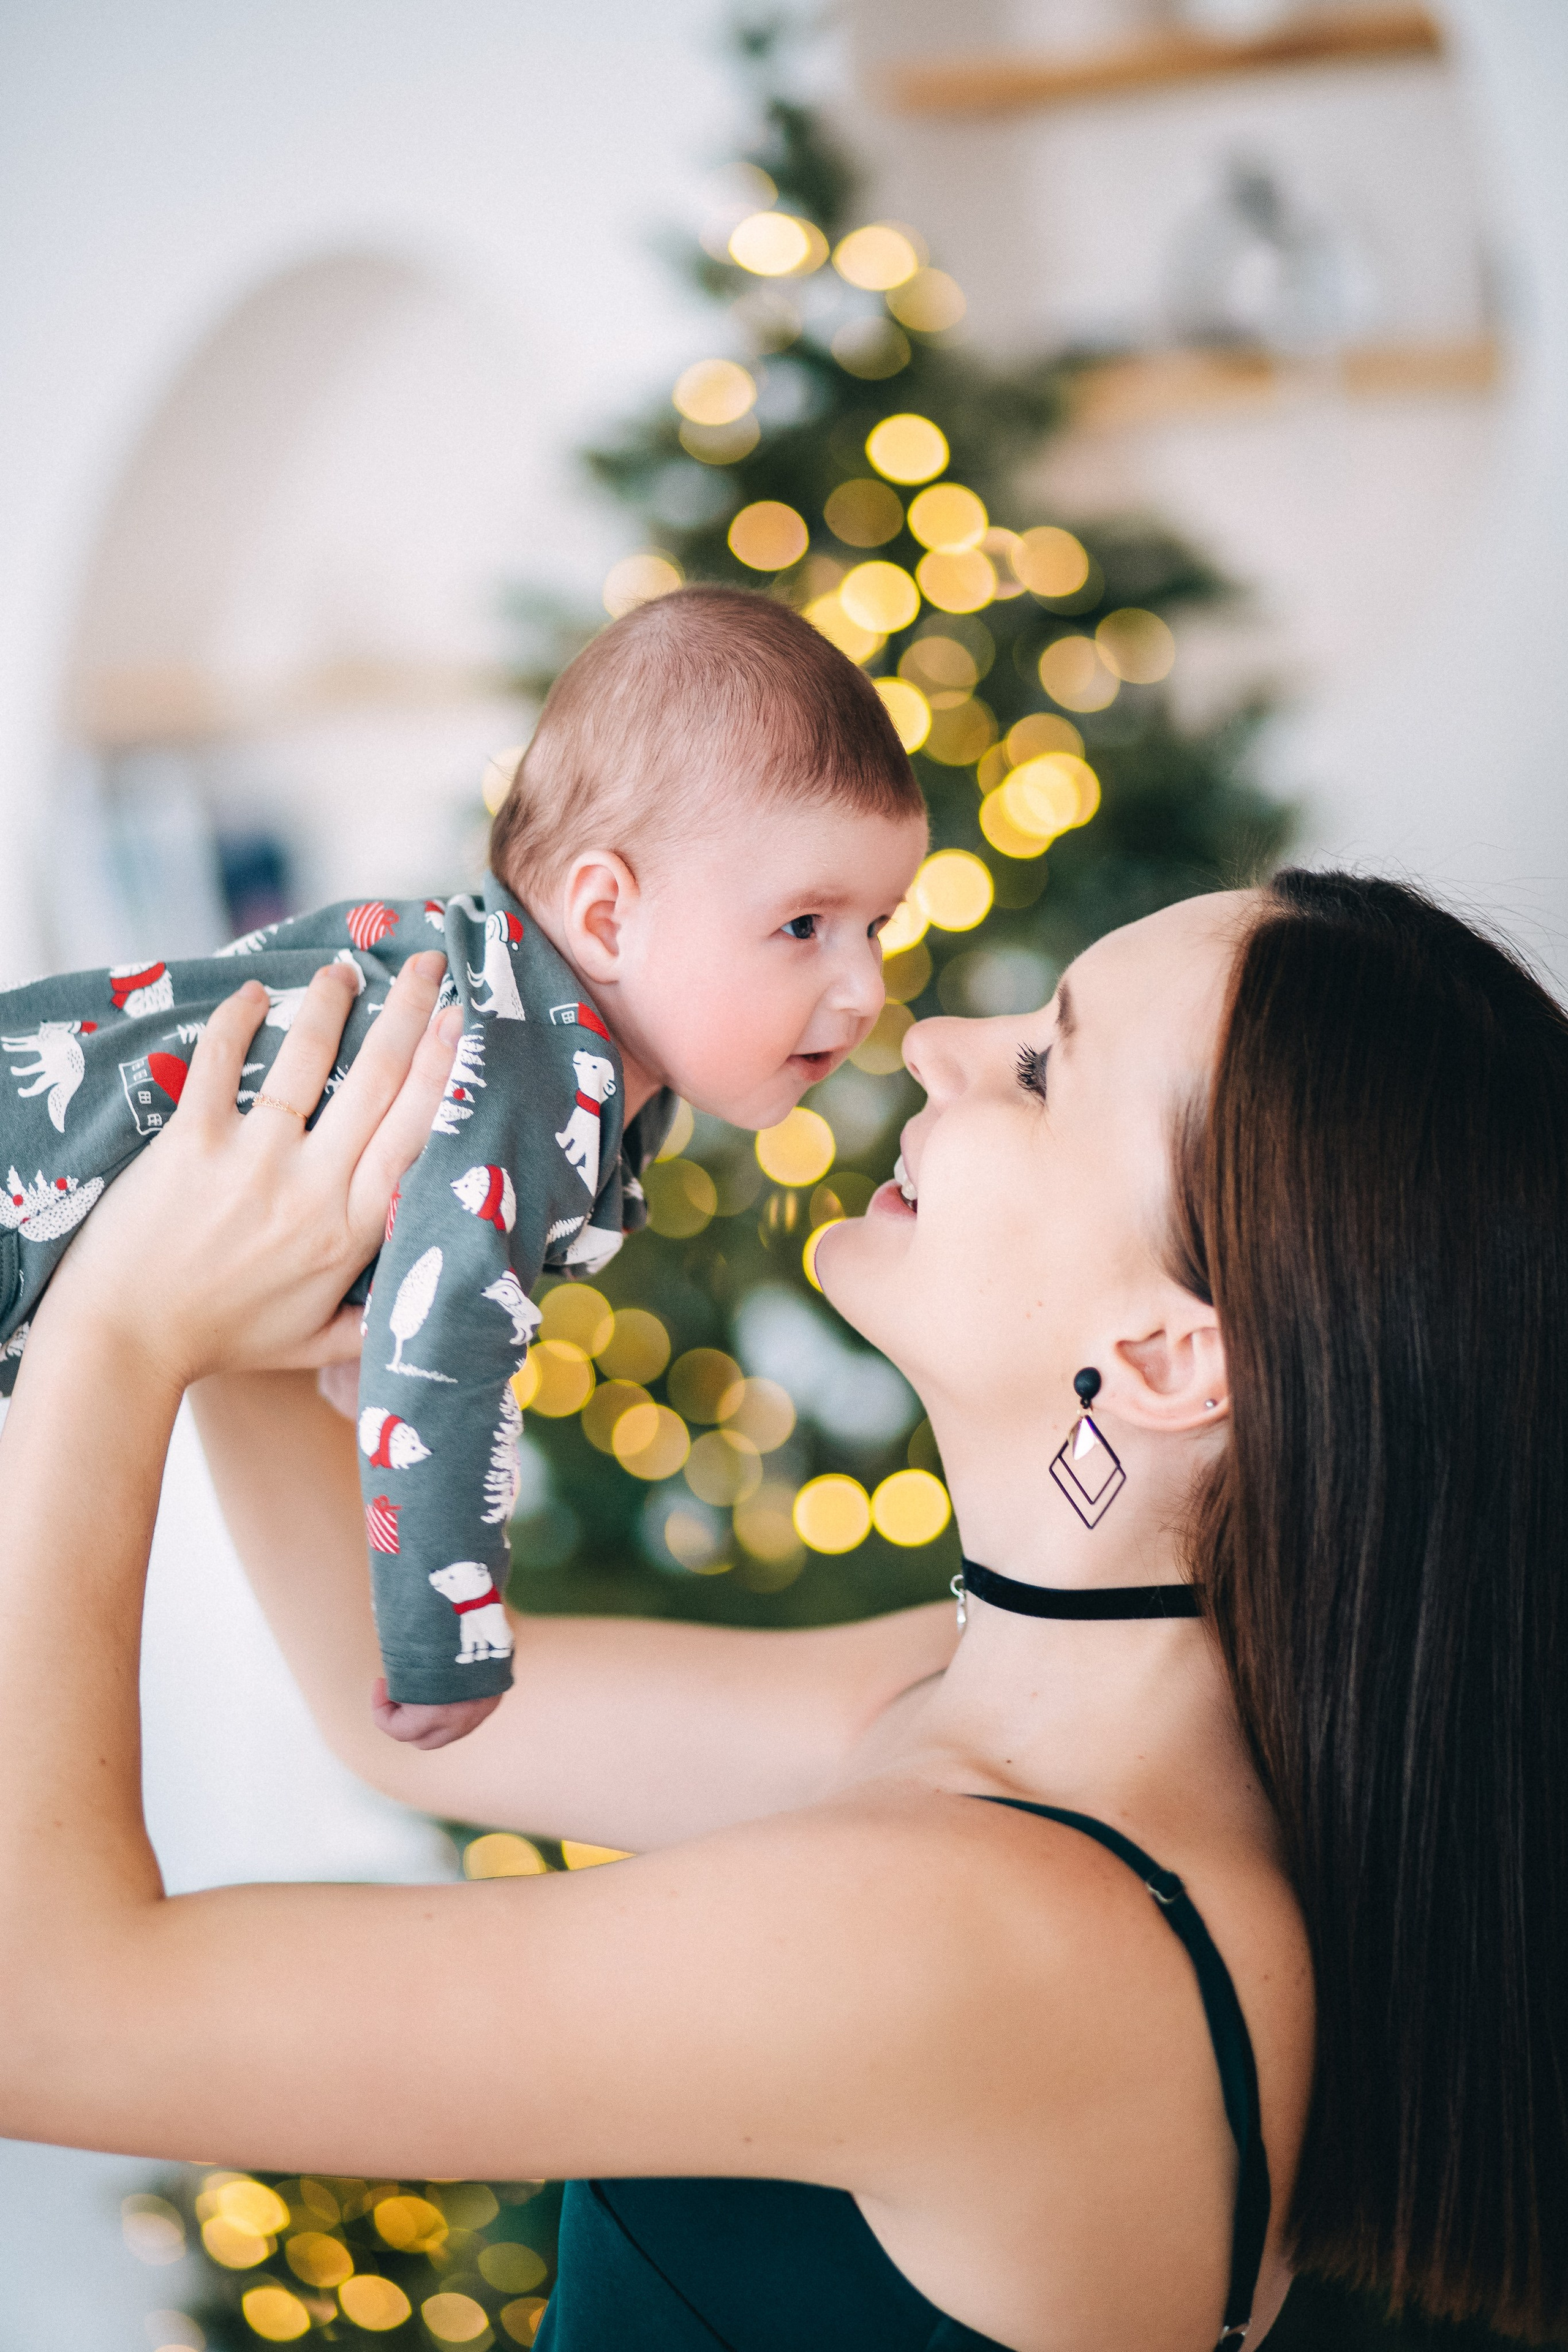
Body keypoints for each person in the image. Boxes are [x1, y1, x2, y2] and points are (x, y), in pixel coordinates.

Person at [2, 868, 1564, 2351]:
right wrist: (304, 1225)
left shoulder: (987, 1935)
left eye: (1037, 1071)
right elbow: (407, 1707)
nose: (940, 1038)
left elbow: (46, 2016)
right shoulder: (1015, 1720)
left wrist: (121, 1324)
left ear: (1167, 1360)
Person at [0, 585, 927, 1751]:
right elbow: (444, 1353)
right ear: (606, 916)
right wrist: (451, 1634)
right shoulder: (517, 1071)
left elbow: (397, 1285)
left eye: (878, 927)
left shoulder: (519, 1016)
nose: (863, 990)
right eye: (806, 925)